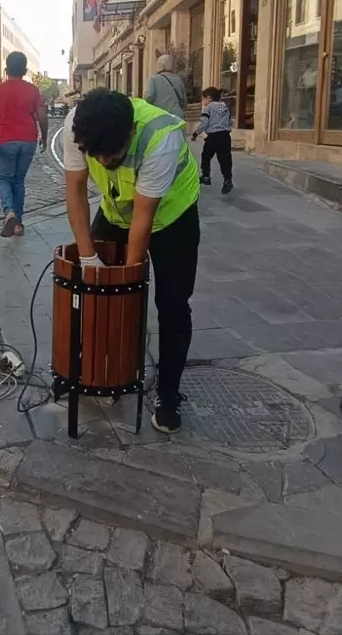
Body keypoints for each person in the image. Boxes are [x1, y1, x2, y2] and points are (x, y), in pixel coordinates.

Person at [63, 88, 200, 433]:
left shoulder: (160, 137)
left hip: (172, 217)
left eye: (114, 156)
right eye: (98, 156)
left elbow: (143, 223)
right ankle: (107, 376)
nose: (105, 164)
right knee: (96, 296)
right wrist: (90, 259)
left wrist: (128, 285)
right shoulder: (77, 128)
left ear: (130, 134)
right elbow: (76, 194)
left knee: (172, 304)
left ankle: (168, 395)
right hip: (115, 213)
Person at [0, 52, 48, 237]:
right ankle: (18, 225)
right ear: (25, 71)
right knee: (19, 181)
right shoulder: (33, 90)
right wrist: (45, 137)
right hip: (28, 141)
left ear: (6, 69)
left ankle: (9, 212)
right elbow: (42, 116)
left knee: (3, 179)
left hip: (7, 141)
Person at [190, 87, 233, 194]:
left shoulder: (208, 109)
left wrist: (196, 134)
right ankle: (227, 179)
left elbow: (204, 124)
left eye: (203, 99)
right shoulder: (225, 108)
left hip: (213, 137)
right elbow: (230, 121)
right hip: (225, 136)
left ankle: (206, 176)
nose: (203, 102)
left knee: (206, 156)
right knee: (225, 159)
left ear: (208, 98)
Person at [144, 54, 187, 119]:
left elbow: (148, 97)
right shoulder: (178, 79)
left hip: (160, 117)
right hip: (177, 117)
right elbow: (184, 102)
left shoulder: (154, 79)